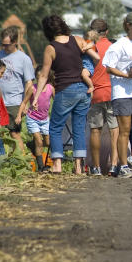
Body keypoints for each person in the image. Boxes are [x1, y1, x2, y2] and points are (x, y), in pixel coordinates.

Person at [32, 15, 100, 175]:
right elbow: (96, 56)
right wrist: (87, 71)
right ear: (63, 25)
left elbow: (43, 75)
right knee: (78, 128)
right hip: (83, 90)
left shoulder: (51, 48)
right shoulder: (76, 39)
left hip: (66, 89)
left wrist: (36, 97)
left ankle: (57, 165)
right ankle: (78, 167)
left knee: (55, 127)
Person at [102, 11, 132, 178]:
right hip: (122, 92)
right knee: (125, 131)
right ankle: (123, 166)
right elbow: (108, 67)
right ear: (128, 26)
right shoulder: (118, 45)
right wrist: (125, 75)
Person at [86, 19, 119, 176]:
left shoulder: (89, 47)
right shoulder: (114, 47)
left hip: (95, 93)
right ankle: (113, 165)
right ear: (107, 32)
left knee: (95, 130)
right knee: (114, 131)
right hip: (112, 93)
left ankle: (96, 167)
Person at [0, 26, 35, 152]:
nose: (5, 47)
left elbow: (29, 83)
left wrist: (25, 104)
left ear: (15, 42)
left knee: (14, 134)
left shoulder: (24, 59)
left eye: (7, 45)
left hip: (14, 102)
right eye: (3, 44)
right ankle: (2, 159)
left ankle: (21, 160)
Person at [15, 65, 55, 172]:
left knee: (47, 142)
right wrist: (19, 115)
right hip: (33, 118)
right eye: (38, 77)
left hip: (45, 119)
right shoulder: (32, 88)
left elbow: (56, 103)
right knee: (39, 141)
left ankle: (31, 145)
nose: (40, 79)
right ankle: (41, 167)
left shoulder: (51, 89)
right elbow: (24, 102)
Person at [81, 30, 99, 95]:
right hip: (86, 64)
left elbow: (90, 45)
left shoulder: (91, 44)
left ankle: (91, 86)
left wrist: (84, 48)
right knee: (83, 75)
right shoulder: (92, 44)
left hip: (88, 65)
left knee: (84, 75)